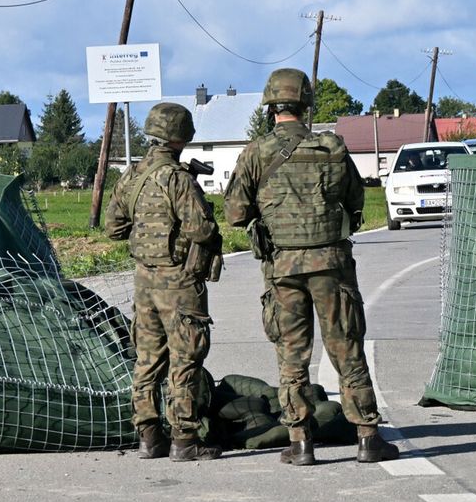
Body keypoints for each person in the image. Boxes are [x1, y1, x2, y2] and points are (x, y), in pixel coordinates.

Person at [225, 67, 399, 466]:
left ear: (271, 106)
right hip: (332, 264)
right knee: (346, 347)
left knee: (291, 355)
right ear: (306, 104)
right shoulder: (332, 147)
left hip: (283, 268)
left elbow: (235, 213)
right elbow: (357, 202)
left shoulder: (255, 153)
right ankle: (368, 436)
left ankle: (300, 442)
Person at [104, 102, 224, 461]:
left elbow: (113, 228)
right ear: (181, 137)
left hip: (144, 279)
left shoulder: (132, 176)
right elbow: (201, 230)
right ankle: (185, 439)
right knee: (185, 357)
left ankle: (148, 436)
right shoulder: (177, 179)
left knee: (146, 358)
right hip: (179, 281)